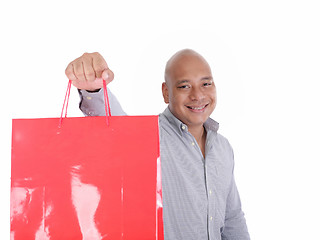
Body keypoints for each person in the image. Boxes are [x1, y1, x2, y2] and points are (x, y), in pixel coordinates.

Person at [65, 49, 250, 240]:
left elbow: (232, 219)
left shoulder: (223, 147)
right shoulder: (150, 135)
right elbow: (115, 125)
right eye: (185, 86)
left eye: (206, 84)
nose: (198, 95)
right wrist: (94, 89)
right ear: (166, 92)